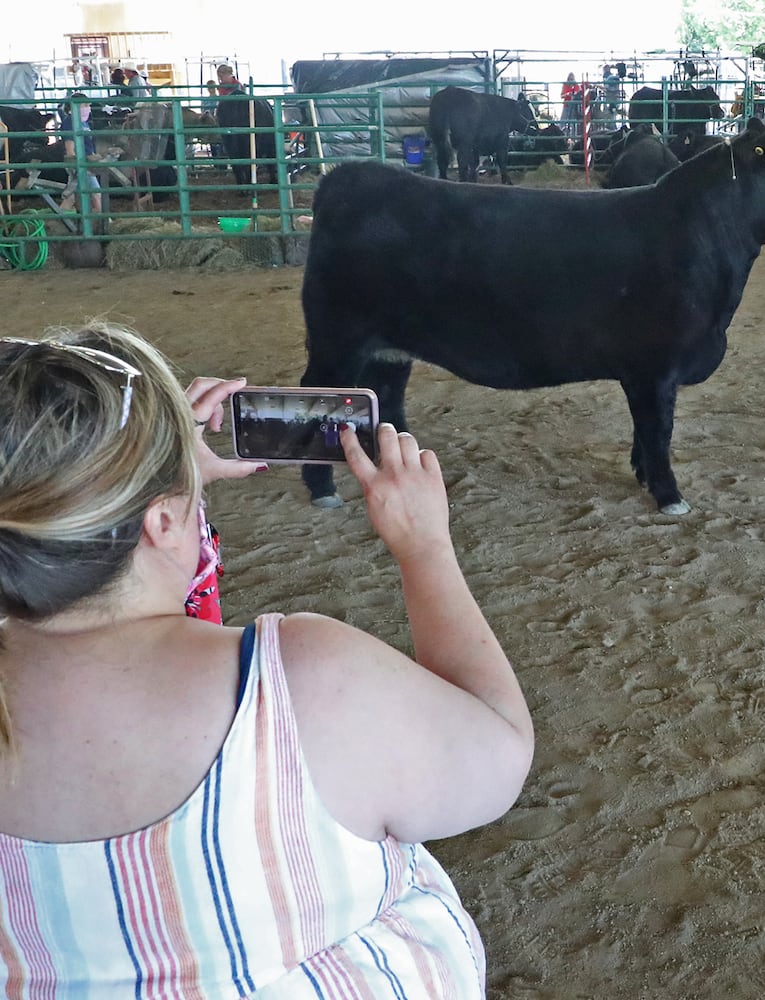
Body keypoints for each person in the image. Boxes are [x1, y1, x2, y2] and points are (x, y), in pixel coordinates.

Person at [0, 324, 534, 995]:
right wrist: (424, 547)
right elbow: (498, 758)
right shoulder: (300, 681)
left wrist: (154, 496)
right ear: (160, 523)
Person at [56, 92, 102, 217]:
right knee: (95, 192)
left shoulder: (83, 122)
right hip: (80, 163)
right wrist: (73, 159)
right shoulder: (70, 121)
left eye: (88, 105)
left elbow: (87, 143)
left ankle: (59, 219)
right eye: (84, 105)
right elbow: (69, 143)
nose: (88, 108)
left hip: (86, 161)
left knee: (72, 195)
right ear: (74, 107)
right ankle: (103, 221)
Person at [562, 71, 583, 136]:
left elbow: (579, 94)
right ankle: (562, 135)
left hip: (574, 106)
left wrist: (575, 94)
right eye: (570, 79)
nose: (571, 80)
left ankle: (574, 137)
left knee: (574, 123)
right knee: (563, 121)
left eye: (572, 79)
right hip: (567, 105)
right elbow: (562, 95)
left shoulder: (576, 85)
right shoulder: (565, 85)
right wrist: (568, 94)